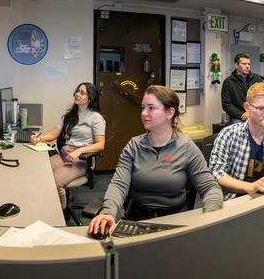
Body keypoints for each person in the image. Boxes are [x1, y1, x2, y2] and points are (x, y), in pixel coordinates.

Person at [89, 86, 223, 236]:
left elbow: (211, 187)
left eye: (151, 108)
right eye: (143, 108)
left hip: (175, 220)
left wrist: (211, 215)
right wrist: (108, 212)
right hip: (138, 220)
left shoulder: (186, 146)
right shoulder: (134, 146)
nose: (144, 113)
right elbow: (119, 184)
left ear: (170, 113)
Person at [209, 82, 264, 199]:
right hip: (237, 199)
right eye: (260, 108)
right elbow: (216, 173)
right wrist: (250, 187)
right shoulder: (229, 134)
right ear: (247, 107)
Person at [29, 82, 105, 209]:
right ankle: (46, 205)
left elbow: (100, 145)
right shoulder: (69, 116)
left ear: (90, 98)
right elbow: (54, 133)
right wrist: (38, 138)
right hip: (64, 155)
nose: (77, 94)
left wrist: (79, 151)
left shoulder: (96, 118)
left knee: (55, 181)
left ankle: (60, 211)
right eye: (77, 91)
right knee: (40, 171)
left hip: (81, 160)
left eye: (82, 93)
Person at [221, 53, 264, 126]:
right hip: (238, 117)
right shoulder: (228, 82)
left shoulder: (257, 79)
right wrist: (242, 114)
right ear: (236, 65)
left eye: (249, 64)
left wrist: (251, 112)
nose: (247, 66)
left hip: (256, 113)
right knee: (237, 129)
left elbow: (263, 98)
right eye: (244, 64)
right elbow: (226, 104)